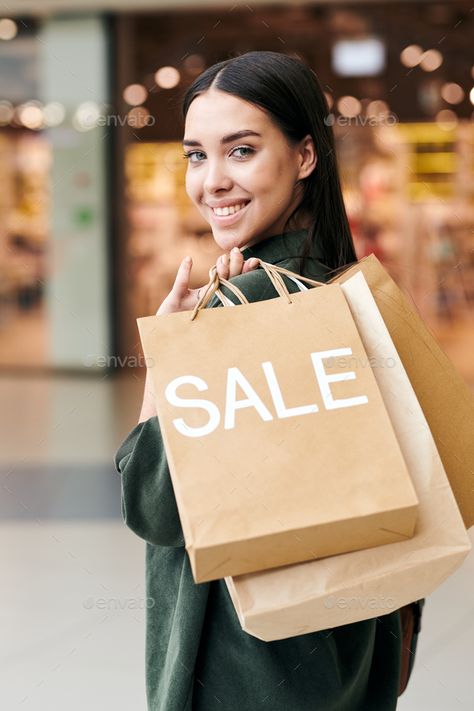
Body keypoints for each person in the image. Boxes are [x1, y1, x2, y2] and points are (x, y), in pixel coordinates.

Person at [114, 50, 404, 710]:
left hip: (240, 664)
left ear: (305, 156)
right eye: (195, 155)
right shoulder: (346, 289)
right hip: (348, 654)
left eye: (240, 151)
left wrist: (168, 358)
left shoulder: (240, 310)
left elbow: (155, 504)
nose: (211, 180)